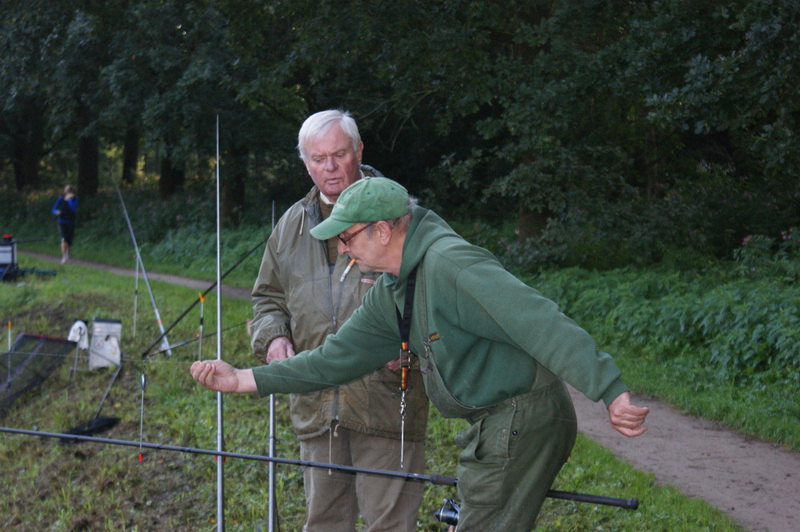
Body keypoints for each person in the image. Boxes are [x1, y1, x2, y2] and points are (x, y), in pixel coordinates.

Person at [192, 177, 650, 530]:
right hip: (494, 420)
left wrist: (609, 390)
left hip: (522, 416)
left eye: (347, 238)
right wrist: (243, 378)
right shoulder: (393, 288)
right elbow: (333, 359)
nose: (343, 250)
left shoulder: (451, 264)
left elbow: (540, 320)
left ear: (382, 230)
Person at [248, 111, 428, 531]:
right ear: (305, 164)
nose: (330, 168)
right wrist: (274, 339)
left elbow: (436, 301)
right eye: (318, 158)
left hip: (387, 406)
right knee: (324, 522)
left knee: (390, 525)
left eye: (339, 154)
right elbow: (267, 299)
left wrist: (414, 348)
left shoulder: (401, 215)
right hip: (315, 406)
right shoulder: (291, 225)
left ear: (359, 151)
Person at [51, 185, 78, 264]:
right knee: (64, 239)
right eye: (67, 192)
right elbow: (53, 209)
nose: (69, 193)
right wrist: (56, 212)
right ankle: (64, 257)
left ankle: (68, 254)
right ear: (65, 192)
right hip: (62, 221)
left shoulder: (75, 199)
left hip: (71, 222)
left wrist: (69, 200)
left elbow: (73, 208)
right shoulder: (60, 199)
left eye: (70, 192)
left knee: (69, 240)